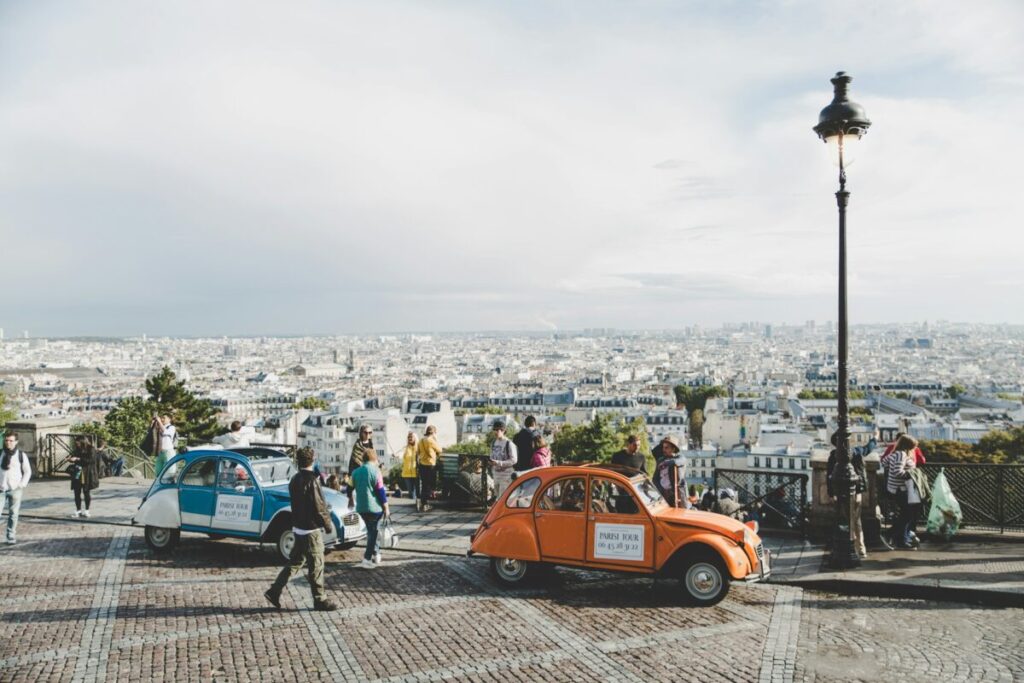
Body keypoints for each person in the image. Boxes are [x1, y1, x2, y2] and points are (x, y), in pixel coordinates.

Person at [265, 447, 338, 611]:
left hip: (298, 528)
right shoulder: (313, 480)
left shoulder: (294, 479)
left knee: (295, 562)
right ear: (313, 460)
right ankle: (320, 599)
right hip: (311, 530)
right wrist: (327, 524)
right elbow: (319, 506)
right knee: (317, 565)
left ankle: (274, 590)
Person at [826, 432, 867, 557]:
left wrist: (831, 493)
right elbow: (867, 449)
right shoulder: (856, 452)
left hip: (840, 493)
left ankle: (845, 546)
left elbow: (829, 476)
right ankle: (860, 547)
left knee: (842, 520)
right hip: (856, 492)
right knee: (856, 520)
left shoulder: (834, 456)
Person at [349, 450, 390, 569]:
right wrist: (386, 506)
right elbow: (380, 491)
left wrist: (350, 499)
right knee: (372, 533)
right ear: (375, 459)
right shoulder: (376, 471)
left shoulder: (355, 472)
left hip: (361, 507)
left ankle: (376, 553)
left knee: (372, 531)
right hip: (374, 508)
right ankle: (367, 559)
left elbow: (349, 487)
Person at [881, 434, 919, 549]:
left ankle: (900, 540)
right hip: (900, 489)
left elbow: (884, 462)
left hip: (895, 489)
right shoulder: (901, 455)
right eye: (913, 447)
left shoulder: (895, 454)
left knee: (905, 514)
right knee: (907, 515)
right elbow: (898, 471)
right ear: (908, 446)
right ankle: (890, 535)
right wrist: (910, 475)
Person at [0, 432, 31, 544]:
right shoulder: (1, 453)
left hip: (15, 489)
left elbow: (27, 471)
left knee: (13, 514)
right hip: (1, 489)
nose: (8, 442)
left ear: (16, 442)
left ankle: (11, 535)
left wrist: (21, 485)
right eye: (6, 440)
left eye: (11, 440)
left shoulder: (21, 455)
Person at [68, 436, 100, 518]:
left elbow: (91, 460)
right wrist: (70, 459)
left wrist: (78, 459)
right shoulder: (77, 449)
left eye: (78, 443)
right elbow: (73, 455)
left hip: (87, 473)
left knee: (86, 492)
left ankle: (87, 510)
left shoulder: (91, 449)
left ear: (82, 442)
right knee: (76, 492)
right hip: (77, 473)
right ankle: (78, 510)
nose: (77, 445)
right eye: (76, 443)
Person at [416, 425, 442, 512]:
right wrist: (436, 439)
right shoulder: (431, 441)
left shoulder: (420, 440)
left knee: (424, 484)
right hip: (430, 464)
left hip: (422, 464)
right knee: (430, 484)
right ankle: (425, 504)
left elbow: (418, 452)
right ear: (433, 432)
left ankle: (423, 503)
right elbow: (440, 450)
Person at [489, 421, 517, 499]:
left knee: (503, 499)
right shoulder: (493, 443)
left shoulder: (509, 443)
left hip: (506, 476)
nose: (496, 432)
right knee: (497, 499)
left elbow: (514, 460)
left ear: (503, 431)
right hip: (496, 475)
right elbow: (492, 455)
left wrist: (499, 463)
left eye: (498, 430)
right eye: (494, 429)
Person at [400, 431, 419, 502]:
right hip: (406, 473)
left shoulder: (418, 447)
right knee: (410, 492)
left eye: (411, 437)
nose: (410, 438)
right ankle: (413, 504)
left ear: (415, 438)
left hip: (416, 473)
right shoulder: (405, 448)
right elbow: (401, 455)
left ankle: (415, 506)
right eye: (408, 437)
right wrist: (396, 456)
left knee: (415, 492)